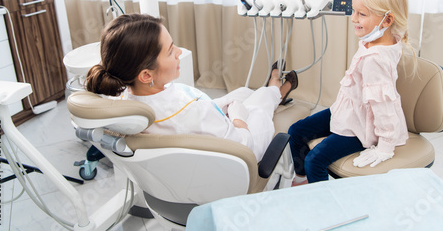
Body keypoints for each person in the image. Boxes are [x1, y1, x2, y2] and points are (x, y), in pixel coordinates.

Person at [85, 13, 298, 161]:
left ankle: (270, 92)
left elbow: (190, 114)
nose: (178, 52)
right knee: (259, 106)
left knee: (243, 92)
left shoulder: (121, 101)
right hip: (238, 154)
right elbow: (246, 148)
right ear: (146, 75)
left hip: (203, 127)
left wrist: (223, 107)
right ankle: (275, 89)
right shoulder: (195, 113)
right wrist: (238, 118)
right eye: (170, 51)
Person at [288, 0, 411, 185]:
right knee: (297, 132)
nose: (353, 18)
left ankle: (326, 205)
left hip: (362, 125)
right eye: (354, 11)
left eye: (361, 14)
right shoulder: (377, 39)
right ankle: (301, 181)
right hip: (348, 111)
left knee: (315, 161)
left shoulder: (376, 60)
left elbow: (383, 104)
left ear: (387, 20)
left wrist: (386, 145)